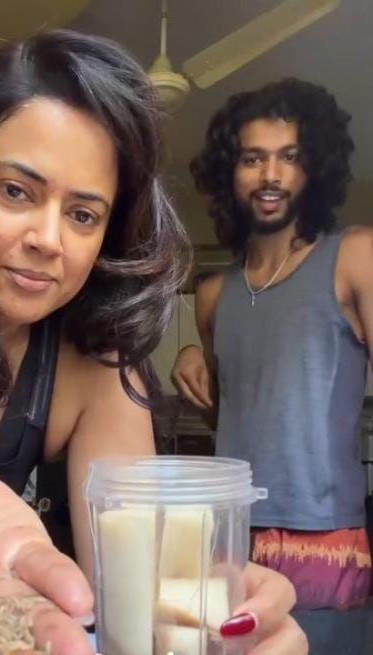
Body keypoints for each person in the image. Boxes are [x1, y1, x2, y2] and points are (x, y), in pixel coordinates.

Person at [0, 31, 305, 654]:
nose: (49, 240)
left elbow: (141, 589)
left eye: (82, 215)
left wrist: (197, 604)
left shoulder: (92, 352)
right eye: (16, 191)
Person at [171, 78, 373, 609]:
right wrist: (193, 361)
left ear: (315, 168)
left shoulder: (356, 256)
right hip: (231, 536)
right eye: (252, 158)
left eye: (290, 156)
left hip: (325, 539)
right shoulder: (213, 295)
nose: (271, 175)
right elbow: (231, 417)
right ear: (230, 173)